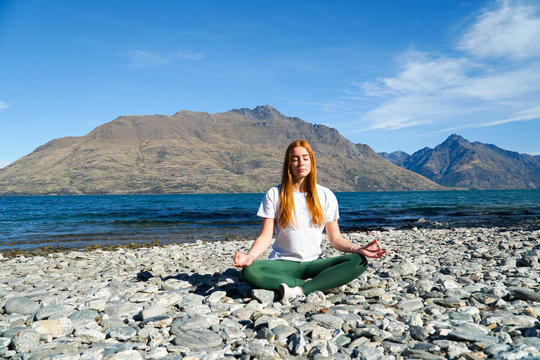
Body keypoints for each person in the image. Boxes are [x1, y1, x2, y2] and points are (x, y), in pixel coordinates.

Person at [233, 139, 387, 304]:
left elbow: (335, 239)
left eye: (305, 158)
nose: (301, 163)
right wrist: (250, 256)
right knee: (250, 272)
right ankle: (318, 285)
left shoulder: (326, 195)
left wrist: (359, 249)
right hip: (283, 263)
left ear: (311, 162)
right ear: (289, 164)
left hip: (315, 263)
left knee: (359, 261)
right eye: (295, 158)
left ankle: (299, 290)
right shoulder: (274, 194)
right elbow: (265, 236)